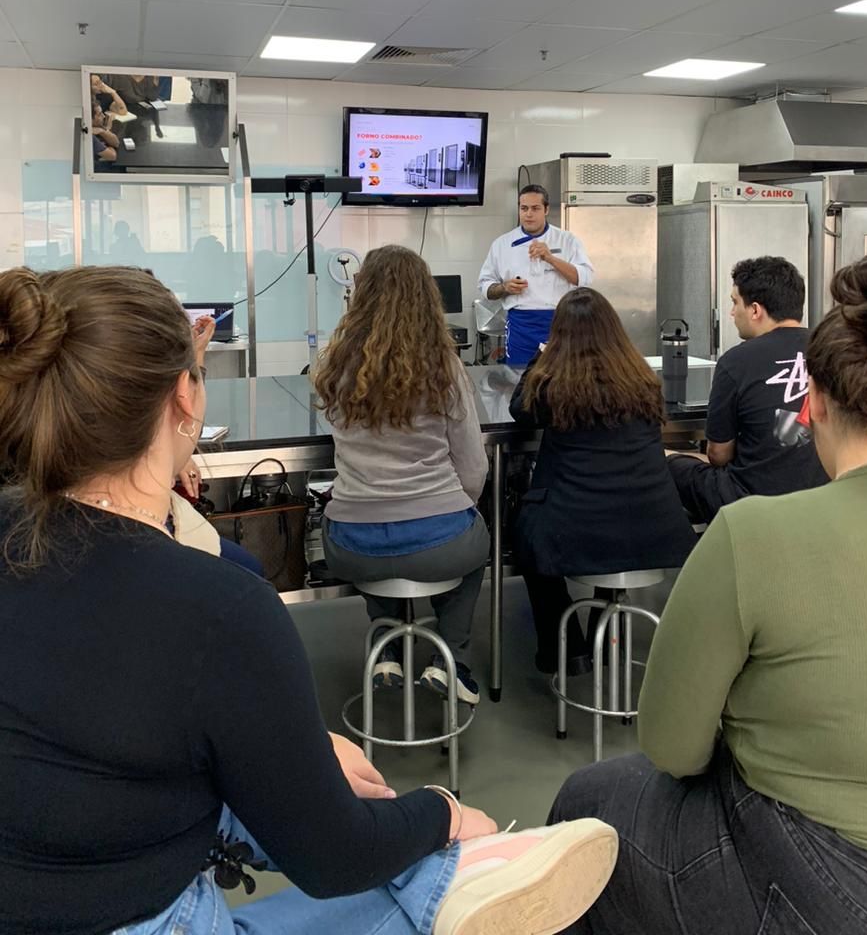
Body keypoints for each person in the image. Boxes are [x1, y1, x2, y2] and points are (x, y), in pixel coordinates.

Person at [0, 264, 618, 935]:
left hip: (352, 547)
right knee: (401, 856)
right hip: (146, 914)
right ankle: (457, 841)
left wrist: (304, 741)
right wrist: (442, 809)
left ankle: (444, 837)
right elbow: (333, 859)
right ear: (185, 396)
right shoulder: (221, 606)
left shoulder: (28, 534)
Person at [548, 244, 867, 935]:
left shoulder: (751, 535)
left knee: (591, 795)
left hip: (825, 878)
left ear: (814, 404)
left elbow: (673, 749)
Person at [316, 245, 490, 706]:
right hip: (440, 541)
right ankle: (451, 661)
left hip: (353, 546)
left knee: (378, 537)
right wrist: (454, 508)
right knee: (475, 547)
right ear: (425, 297)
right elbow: (474, 468)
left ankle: (386, 647)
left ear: (361, 293)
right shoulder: (445, 369)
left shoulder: (333, 366)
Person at [508, 288, 696, 673]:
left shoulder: (551, 385)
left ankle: (566, 650)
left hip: (575, 533)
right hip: (655, 531)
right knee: (615, 525)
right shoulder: (644, 380)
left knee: (527, 537)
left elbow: (517, 410)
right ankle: (608, 637)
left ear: (560, 335)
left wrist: (541, 357)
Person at [668, 254, 827, 521]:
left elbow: (718, 455)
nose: (731, 313)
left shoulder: (736, 362)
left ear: (755, 310)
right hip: (822, 498)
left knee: (667, 460)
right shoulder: (832, 350)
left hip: (751, 502)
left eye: (734, 303)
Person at [477, 184, 593, 366]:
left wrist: (550, 258)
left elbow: (584, 278)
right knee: (518, 377)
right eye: (524, 208)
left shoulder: (567, 240)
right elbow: (486, 288)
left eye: (535, 208)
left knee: (563, 377)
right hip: (521, 324)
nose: (528, 214)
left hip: (561, 321)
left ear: (546, 209)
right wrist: (504, 287)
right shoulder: (502, 244)